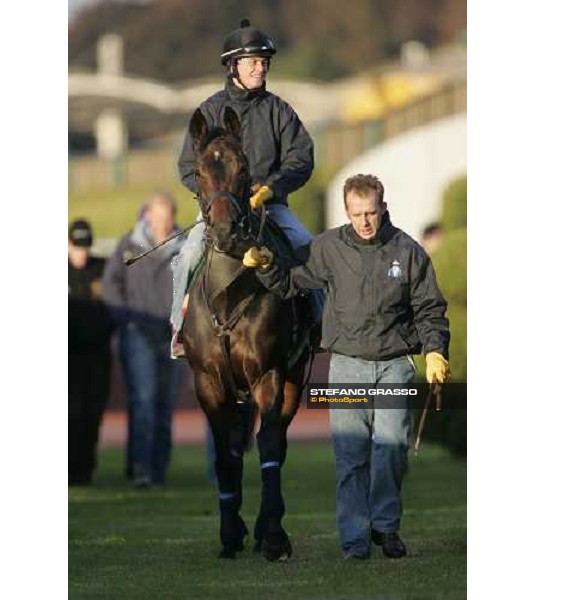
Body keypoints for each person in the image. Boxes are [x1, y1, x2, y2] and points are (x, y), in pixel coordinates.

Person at [243, 174, 451, 560]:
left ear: (383, 207)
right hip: (346, 367)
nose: (365, 222)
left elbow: (429, 309)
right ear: (347, 211)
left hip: (395, 365)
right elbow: (290, 284)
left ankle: (386, 528)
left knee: (391, 452)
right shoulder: (328, 247)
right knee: (351, 458)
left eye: (371, 212)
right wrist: (266, 267)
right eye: (357, 214)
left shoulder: (408, 251)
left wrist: (436, 350)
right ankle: (355, 540)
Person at [170, 19, 317, 358]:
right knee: (188, 255)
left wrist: (271, 188)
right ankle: (178, 329)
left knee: (305, 246)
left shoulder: (279, 110)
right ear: (233, 66)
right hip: (219, 208)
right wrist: (214, 199)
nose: (260, 67)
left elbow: (302, 157)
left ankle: (317, 323)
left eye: (264, 62)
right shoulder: (208, 111)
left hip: (269, 205)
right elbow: (187, 166)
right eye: (253, 61)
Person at [103, 192, 185, 488]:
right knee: (144, 401)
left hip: (173, 336)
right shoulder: (129, 244)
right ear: (148, 214)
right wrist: (127, 319)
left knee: (164, 405)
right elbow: (111, 284)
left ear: (173, 216)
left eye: (167, 217)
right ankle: (141, 469)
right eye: (157, 216)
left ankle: (158, 470)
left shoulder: (185, 247)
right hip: (138, 334)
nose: (162, 222)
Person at [68, 219, 114, 486]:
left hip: (97, 357)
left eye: (85, 247)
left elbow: (116, 305)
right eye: (77, 247)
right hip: (68, 359)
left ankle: (85, 471)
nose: (82, 253)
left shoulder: (103, 268)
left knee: (92, 414)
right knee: (70, 415)